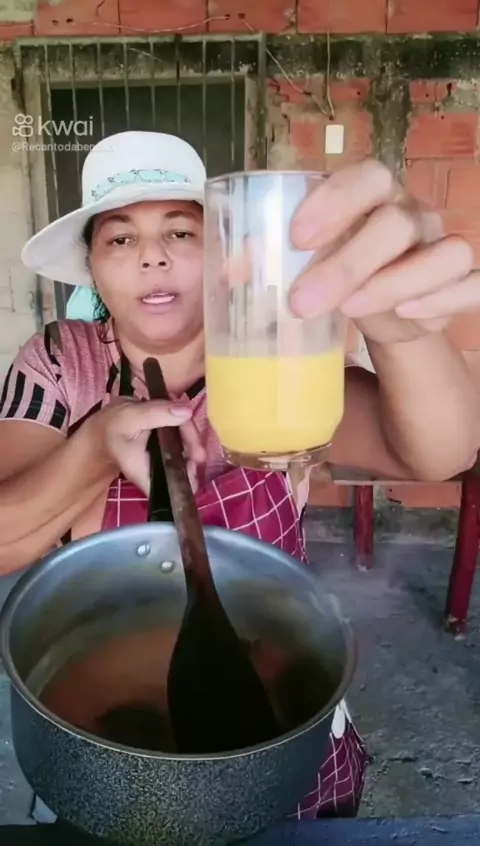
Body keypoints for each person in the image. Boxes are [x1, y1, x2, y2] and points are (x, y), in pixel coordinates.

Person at [0, 130, 479, 820]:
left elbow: (440, 453)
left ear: (222, 253)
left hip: (277, 724)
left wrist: (402, 332)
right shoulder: (60, 364)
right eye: (121, 238)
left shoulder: (277, 356)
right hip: (111, 742)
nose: (154, 255)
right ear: (92, 268)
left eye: (181, 232)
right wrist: (97, 444)